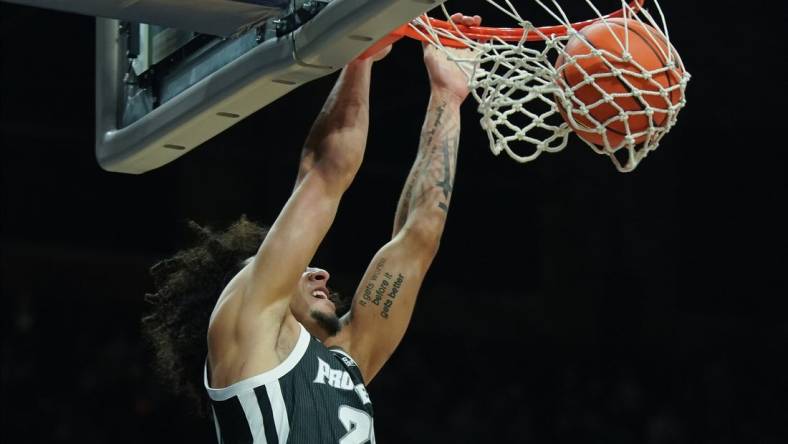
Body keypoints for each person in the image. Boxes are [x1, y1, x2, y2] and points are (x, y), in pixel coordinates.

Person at [143, 13, 482, 443]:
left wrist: (447, 97)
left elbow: (418, 235)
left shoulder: (346, 361)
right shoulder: (246, 334)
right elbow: (322, 178)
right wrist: (358, 57)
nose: (316, 272)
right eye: (295, 267)